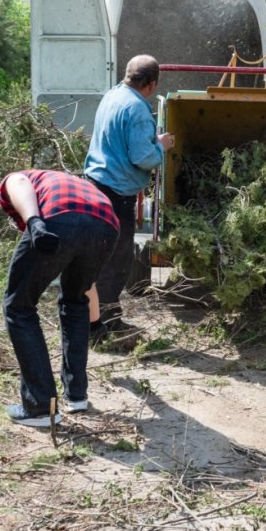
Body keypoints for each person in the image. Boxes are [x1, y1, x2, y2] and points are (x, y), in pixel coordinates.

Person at [0, 169, 119, 427]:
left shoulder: (20, 179)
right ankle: (76, 395)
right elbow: (88, 286)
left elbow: (17, 182)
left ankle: (41, 407)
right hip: (107, 226)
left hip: (59, 217)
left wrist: (34, 222)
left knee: (18, 305)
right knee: (75, 301)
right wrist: (96, 323)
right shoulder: (71, 184)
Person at [84, 54, 174, 341]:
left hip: (95, 185)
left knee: (97, 258)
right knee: (117, 261)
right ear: (151, 84)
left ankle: (88, 319)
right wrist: (161, 146)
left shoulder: (112, 96)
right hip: (116, 194)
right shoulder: (137, 110)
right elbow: (142, 157)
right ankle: (106, 325)